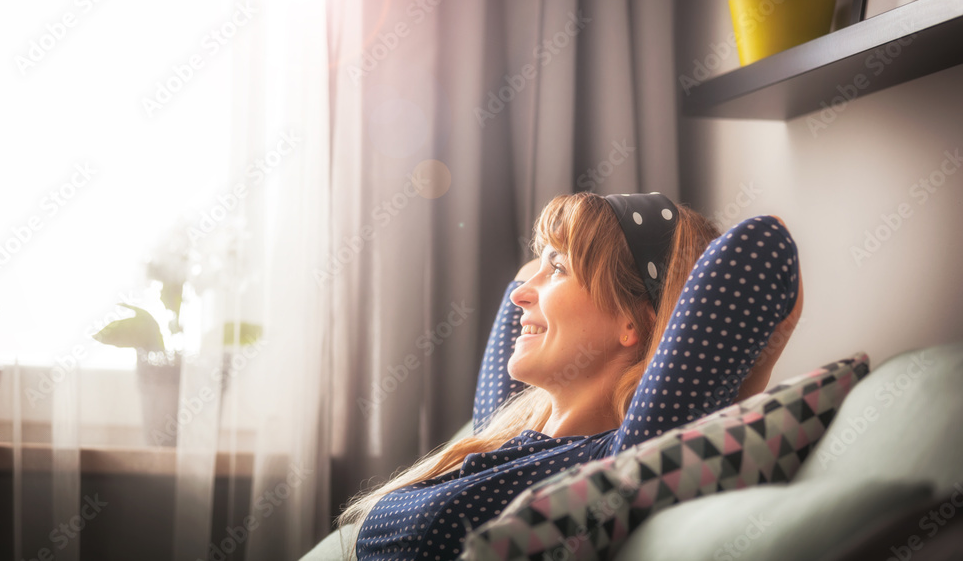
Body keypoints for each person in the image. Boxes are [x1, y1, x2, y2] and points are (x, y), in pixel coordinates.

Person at [338, 191, 803, 560]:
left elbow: (763, 243)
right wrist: (563, 253)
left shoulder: (619, 458)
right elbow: (519, 285)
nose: (523, 291)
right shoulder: (503, 438)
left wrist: (751, 375)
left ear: (631, 323)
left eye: (557, 267)